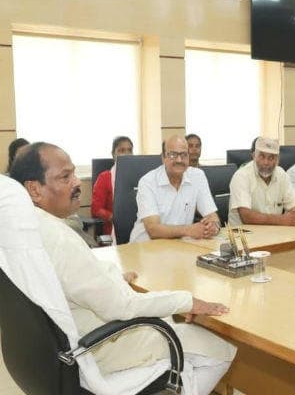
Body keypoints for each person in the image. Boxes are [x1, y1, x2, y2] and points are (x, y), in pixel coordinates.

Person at [9, 143, 236, 394]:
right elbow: (123, 306)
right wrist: (189, 302)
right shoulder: (59, 239)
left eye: (74, 173)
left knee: (168, 317)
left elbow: (73, 279)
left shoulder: (26, 230)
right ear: (34, 189)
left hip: (65, 345)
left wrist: (112, 278)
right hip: (101, 346)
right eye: (65, 176)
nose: (77, 182)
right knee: (220, 348)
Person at [129, 135, 220, 243]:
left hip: (179, 245)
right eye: (173, 155)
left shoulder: (197, 176)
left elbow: (212, 216)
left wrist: (213, 227)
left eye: (184, 155)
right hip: (146, 246)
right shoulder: (148, 182)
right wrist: (189, 230)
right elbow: (153, 230)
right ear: (163, 157)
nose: (179, 160)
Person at [229, 137, 295, 226]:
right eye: (262, 156)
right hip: (244, 233)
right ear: (254, 156)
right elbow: (246, 216)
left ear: (278, 160)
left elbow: (294, 205)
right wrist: (281, 220)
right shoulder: (241, 176)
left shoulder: (281, 174)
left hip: (275, 232)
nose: (266, 162)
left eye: (271, 158)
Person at [91, 136, 133, 236]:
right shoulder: (104, 177)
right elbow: (96, 209)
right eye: (121, 150)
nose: (126, 154)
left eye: (129, 150)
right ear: (113, 154)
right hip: (113, 228)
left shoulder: (140, 177)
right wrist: (114, 218)